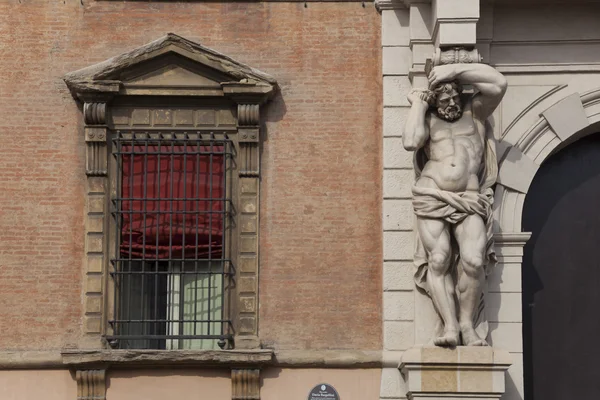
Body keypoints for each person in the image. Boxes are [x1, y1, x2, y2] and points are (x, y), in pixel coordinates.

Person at [402, 63, 507, 346]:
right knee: (438, 260)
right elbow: (411, 142)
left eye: (454, 95)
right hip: (433, 194)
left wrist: (454, 71)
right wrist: (417, 105)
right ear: (434, 100)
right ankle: (450, 326)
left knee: (473, 261)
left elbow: (498, 84)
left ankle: (467, 325)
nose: (450, 102)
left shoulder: (475, 113)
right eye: (444, 98)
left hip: (470, 198)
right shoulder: (428, 120)